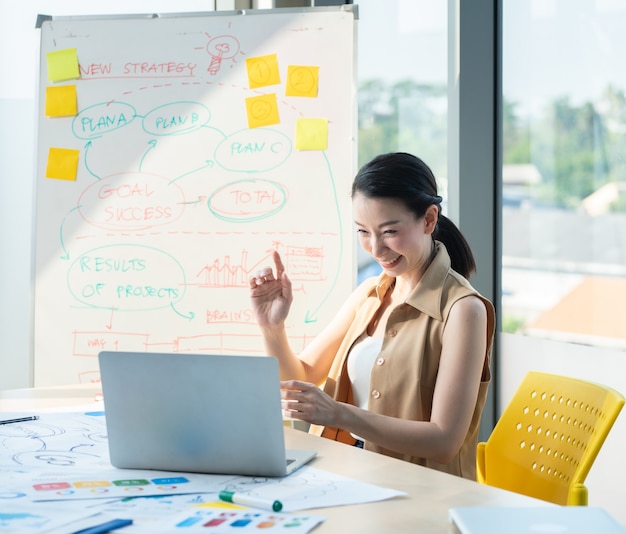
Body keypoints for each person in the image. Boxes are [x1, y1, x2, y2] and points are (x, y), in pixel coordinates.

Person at [249, 152, 495, 480]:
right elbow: (302, 377)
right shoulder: (368, 294)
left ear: (429, 219)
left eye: (389, 231)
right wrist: (272, 327)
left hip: (419, 491)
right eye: (363, 232)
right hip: (347, 472)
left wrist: (339, 414)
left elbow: (444, 440)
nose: (376, 249)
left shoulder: (463, 310)